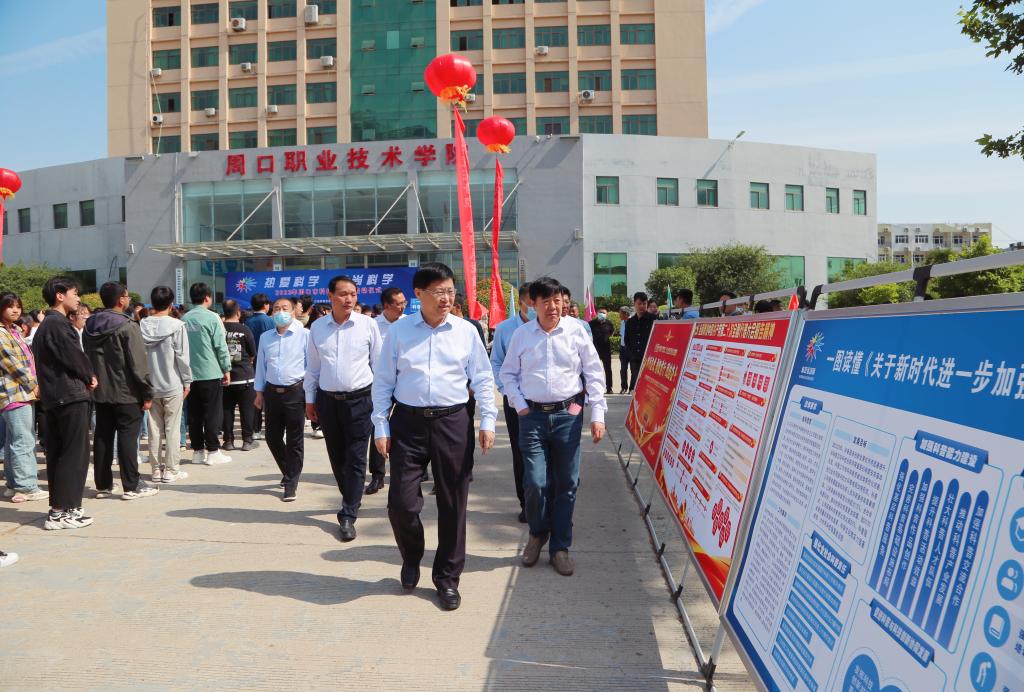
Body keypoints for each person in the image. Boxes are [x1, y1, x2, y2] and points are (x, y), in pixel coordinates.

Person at [372, 262, 497, 612]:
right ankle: (412, 557)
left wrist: (488, 420)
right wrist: (380, 426)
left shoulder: (466, 331)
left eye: (450, 291)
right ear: (419, 294)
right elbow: (383, 381)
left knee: (453, 503)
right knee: (401, 503)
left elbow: (482, 378)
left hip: (452, 422)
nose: (446, 298)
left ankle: (447, 578)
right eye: (439, 292)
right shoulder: (399, 332)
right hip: (408, 423)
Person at [500, 277, 607, 577]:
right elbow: (508, 374)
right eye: (545, 301)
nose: (553, 307)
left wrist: (597, 414)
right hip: (532, 418)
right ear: (532, 303)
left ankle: (560, 547)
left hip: (568, 416)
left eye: (557, 300)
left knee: (567, 483)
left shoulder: (576, 331)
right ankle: (537, 533)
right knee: (535, 482)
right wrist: (520, 405)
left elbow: (594, 372)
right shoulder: (522, 335)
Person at [305, 276, 382, 538]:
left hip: (361, 400)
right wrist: (310, 399)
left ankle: (348, 514)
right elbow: (313, 367)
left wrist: (382, 402)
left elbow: (379, 365)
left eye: (353, 294)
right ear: (330, 296)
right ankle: (350, 495)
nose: (349, 299)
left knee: (357, 457)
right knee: (337, 458)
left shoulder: (368, 325)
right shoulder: (317, 328)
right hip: (328, 402)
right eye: (343, 294)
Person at [33, 276, 97, 530]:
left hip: (56, 397)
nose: (78, 298)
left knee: (60, 454)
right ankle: (64, 510)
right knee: (74, 455)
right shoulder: (58, 324)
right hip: (68, 395)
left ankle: (62, 509)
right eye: (74, 293)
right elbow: (74, 357)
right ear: (60, 295)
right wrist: (89, 376)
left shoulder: (47, 325)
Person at [83, 282, 158, 501]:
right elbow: (138, 365)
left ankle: (103, 485)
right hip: (127, 392)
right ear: (120, 300)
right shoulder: (127, 326)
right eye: (126, 296)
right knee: (127, 437)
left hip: (100, 391)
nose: (128, 299)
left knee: (102, 437)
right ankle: (131, 485)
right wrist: (147, 393)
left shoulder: (89, 326)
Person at [254, 297, 308, 501]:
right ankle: (289, 470)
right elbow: (261, 366)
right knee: (272, 437)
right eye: (276, 308)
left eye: (285, 308)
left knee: (295, 439)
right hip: (271, 392)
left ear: (294, 311)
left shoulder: (304, 335)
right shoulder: (266, 337)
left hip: (295, 391)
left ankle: (291, 482)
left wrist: (311, 396)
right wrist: (259, 393)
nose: (280, 312)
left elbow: (311, 367)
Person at [489, 282, 533, 522]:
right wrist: (506, 389)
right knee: (520, 451)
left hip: (543, 401)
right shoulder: (505, 329)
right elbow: (496, 361)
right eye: (531, 302)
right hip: (515, 401)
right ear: (523, 302)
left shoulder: (549, 326)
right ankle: (526, 503)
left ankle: (544, 501)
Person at [140, 286, 192, 484]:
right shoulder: (177, 326)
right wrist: (187, 381)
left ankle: (155, 470)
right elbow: (183, 357)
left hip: (150, 385)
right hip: (172, 384)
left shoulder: (141, 325)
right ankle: (171, 470)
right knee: (172, 428)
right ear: (171, 304)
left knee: (153, 430)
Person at [0, 292, 46, 503]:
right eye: (10, 306)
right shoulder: (2, 333)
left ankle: (13, 484)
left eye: (18, 306)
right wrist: (34, 385)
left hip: (21, 392)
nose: (15, 310)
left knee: (14, 439)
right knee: (24, 440)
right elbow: (13, 365)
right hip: (14, 392)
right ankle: (26, 487)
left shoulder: (15, 331)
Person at [182, 283, 232, 466]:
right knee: (212, 413)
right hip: (210, 372)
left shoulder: (184, 318)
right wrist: (226, 369)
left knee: (194, 414)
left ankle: (197, 451)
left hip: (189, 374)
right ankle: (213, 451)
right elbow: (221, 345)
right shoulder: (212, 317)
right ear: (207, 298)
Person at [366, 286, 407, 494]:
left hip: (406, 384)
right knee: (378, 426)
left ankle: (416, 468)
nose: (402, 307)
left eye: (404, 303)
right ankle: (377, 475)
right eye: (398, 304)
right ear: (386, 306)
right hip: (381, 385)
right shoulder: (373, 326)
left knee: (411, 427)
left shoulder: (410, 324)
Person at [221, 299, 258, 452]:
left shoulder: (219, 329)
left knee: (226, 410)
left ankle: (228, 441)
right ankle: (247, 441)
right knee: (247, 410)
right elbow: (252, 353)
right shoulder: (245, 330)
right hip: (245, 377)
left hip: (224, 377)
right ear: (238, 313)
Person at [245, 293, 275, 441]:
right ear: (265, 305)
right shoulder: (270, 321)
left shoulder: (247, 321)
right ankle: (271, 428)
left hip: (252, 363)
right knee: (270, 398)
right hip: (268, 363)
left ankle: (255, 429)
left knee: (256, 396)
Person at [624, 292, 655, 392]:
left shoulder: (654, 320)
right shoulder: (630, 322)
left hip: (649, 359)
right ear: (634, 304)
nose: (642, 306)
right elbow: (627, 340)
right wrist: (631, 354)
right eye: (639, 304)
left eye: (644, 304)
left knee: (649, 384)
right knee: (638, 382)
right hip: (635, 359)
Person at [588, 306, 615, 395]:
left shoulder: (609, 323)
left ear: (606, 314)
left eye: (603, 313)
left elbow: (612, 332)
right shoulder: (591, 324)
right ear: (596, 313)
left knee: (608, 370)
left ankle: (609, 388)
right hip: (594, 351)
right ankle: (595, 388)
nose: (602, 314)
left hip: (606, 350)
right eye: (600, 312)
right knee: (594, 370)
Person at [617, 306, 630, 394]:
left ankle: (632, 388)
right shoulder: (622, 322)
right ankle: (623, 387)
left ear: (625, 314)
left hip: (631, 349)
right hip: (623, 348)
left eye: (620, 313)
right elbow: (622, 335)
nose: (619, 315)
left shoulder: (632, 322)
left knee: (633, 370)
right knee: (623, 369)